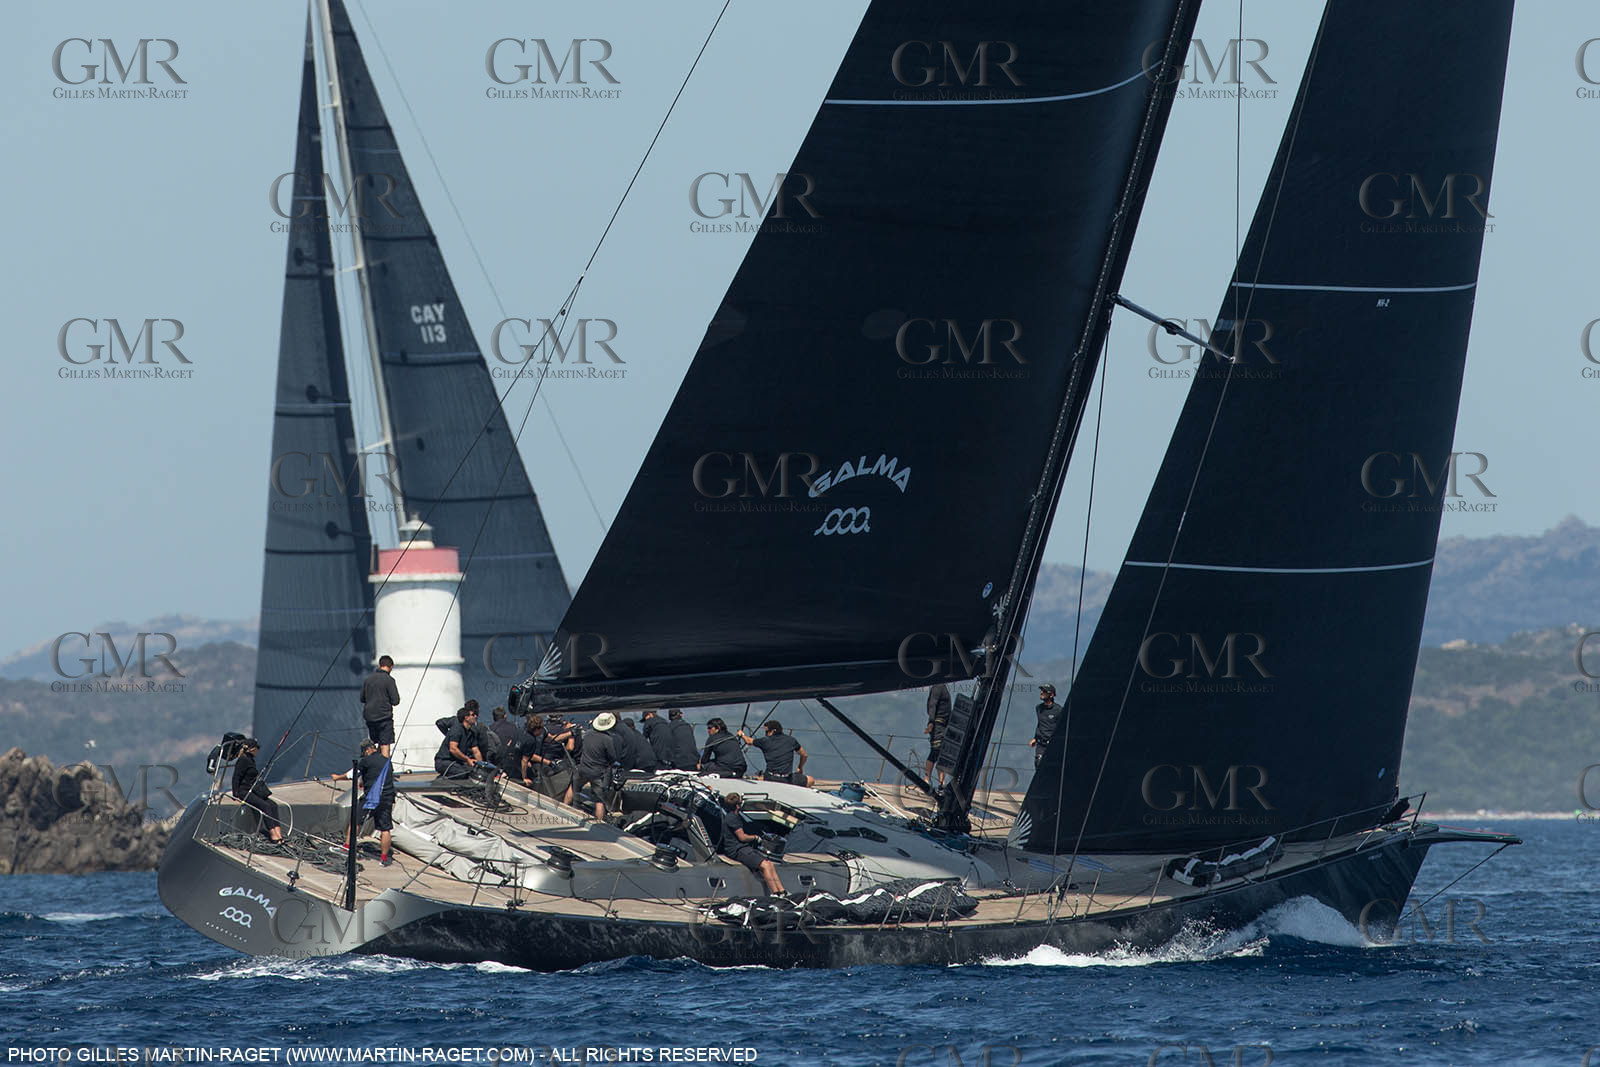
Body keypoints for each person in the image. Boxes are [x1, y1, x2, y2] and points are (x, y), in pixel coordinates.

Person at [331, 739, 396, 866]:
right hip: (387, 798)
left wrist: (337, 777)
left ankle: (347, 847)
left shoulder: (366, 761)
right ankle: (384, 859)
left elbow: (351, 774)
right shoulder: (387, 761)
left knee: (355, 821)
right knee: (385, 828)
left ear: (367, 750)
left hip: (371, 798)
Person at [717, 793, 784, 894]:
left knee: (770, 864)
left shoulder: (736, 816)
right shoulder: (732, 818)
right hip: (736, 850)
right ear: (737, 806)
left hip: (743, 848)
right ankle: (775, 893)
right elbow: (742, 837)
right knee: (765, 866)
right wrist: (755, 837)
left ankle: (782, 891)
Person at [230, 738, 284, 843]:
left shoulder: (251, 760)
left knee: (273, 805)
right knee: (265, 806)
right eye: (257, 748)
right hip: (244, 791)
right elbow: (236, 777)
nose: (258, 750)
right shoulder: (243, 760)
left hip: (253, 790)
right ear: (252, 749)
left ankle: (278, 832)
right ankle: (273, 835)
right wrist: (235, 794)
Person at [572, 712, 623, 820]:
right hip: (598, 772)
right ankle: (599, 823)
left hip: (583, 768)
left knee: (573, 788)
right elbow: (612, 757)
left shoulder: (588, 734)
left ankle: (564, 808)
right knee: (599, 800)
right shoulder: (608, 739)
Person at [520, 713, 575, 805]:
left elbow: (552, 739)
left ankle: (556, 794)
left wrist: (570, 733)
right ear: (536, 729)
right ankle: (548, 796)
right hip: (532, 762)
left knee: (561, 768)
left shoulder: (543, 730)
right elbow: (529, 756)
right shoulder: (530, 739)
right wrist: (548, 762)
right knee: (549, 771)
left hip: (540, 760)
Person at [738, 720, 811, 786]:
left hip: (770, 778)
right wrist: (799, 767)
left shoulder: (765, 741)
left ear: (772, 731)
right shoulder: (791, 740)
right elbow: (804, 755)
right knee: (811, 780)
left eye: (766, 732)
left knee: (759, 778)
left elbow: (749, 741)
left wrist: (742, 734)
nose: (765, 734)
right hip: (787, 779)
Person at [360, 655, 401, 758]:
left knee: (374, 744)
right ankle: (384, 771)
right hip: (384, 718)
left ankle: (374, 768)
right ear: (391, 667)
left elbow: (362, 698)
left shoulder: (368, 679)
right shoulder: (389, 680)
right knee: (385, 744)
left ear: (379, 665)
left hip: (370, 718)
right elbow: (395, 701)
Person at [435, 705, 484, 778]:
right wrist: (467, 759)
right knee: (464, 773)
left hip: (457, 762)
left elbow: (476, 751)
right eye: (473, 715)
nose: (476, 716)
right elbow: (453, 749)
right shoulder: (457, 730)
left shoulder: (471, 732)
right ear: (466, 718)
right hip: (444, 762)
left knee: (474, 771)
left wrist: (482, 766)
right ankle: (442, 780)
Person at [923, 682, 951, 784]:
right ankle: (927, 778)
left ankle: (941, 781)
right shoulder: (937, 687)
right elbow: (932, 705)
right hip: (937, 724)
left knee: (941, 753)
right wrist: (931, 722)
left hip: (943, 725)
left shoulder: (941, 687)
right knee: (936, 751)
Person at [1031, 683, 1062, 768]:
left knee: (1051, 767)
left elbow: (1061, 726)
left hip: (1052, 744)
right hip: (1040, 744)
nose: (1041, 693)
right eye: (1041, 691)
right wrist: (1035, 738)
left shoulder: (1058, 710)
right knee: (1038, 763)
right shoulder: (1038, 708)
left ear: (1051, 695)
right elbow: (1040, 723)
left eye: (1044, 691)